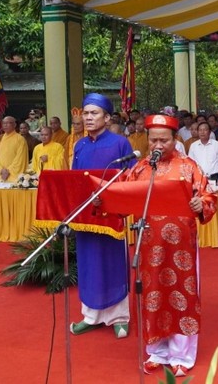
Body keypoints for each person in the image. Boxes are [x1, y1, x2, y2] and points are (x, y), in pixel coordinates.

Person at [124, 114, 217, 377]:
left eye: (163, 141)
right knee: (153, 295)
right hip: (149, 245)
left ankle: (181, 355)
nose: (158, 145)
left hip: (181, 250)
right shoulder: (141, 168)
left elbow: (208, 195)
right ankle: (157, 351)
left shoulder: (189, 166)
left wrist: (202, 204)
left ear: (175, 140)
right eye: (153, 140)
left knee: (181, 298)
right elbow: (124, 196)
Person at [69, 93, 135, 340]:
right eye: (85, 113)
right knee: (89, 264)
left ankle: (119, 317)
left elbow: (131, 179)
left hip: (111, 214)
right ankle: (91, 316)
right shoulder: (80, 145)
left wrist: (114, 200)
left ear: (107, 118)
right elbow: (76, 179)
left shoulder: (120, 144)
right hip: (86, 215)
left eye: (94, 113)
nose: (88, 117)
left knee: (112, 262)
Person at [0, 116, 29, 182]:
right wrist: (1, 170)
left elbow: (20, 158)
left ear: (14, 125)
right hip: (1, 176)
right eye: (4, 123)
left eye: (8, 123)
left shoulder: (20, 139)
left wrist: (8, 171)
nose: (5, 125)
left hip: (14, 176)